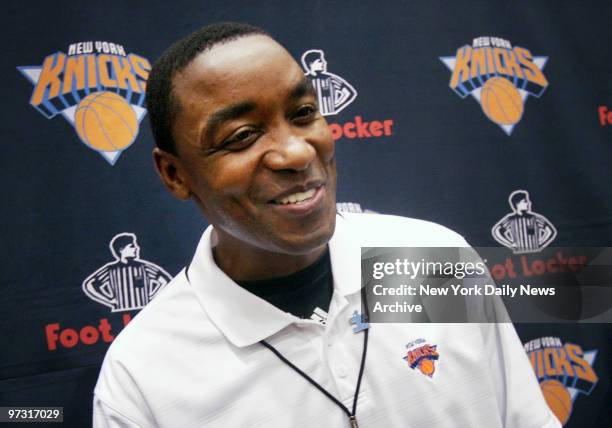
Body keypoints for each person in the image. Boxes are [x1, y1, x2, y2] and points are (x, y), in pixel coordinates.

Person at [93, 22, 560, 428]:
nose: (296, 152)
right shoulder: (143, 376)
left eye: (303, 114)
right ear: (175, 174)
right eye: (241, 136)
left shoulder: (433, 259)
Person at [82, 233, 171, 312]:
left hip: (146, 314)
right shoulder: (111, 270)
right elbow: (90, 284)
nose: (137, 248)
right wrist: (110, 300)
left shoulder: (144, 267)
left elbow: (166, 280)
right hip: (118, 316)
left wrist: (152, 297)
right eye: (132, 246)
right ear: (121, 250)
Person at [491, 190, 557, 254]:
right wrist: (511, 244)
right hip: (518, 256)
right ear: (517, 204)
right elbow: (497, 231)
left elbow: (550, 231)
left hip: (536, 254)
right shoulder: (511, 219)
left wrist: (541, 242)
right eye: (525, 201)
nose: (528, 203)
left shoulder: (535, 218)